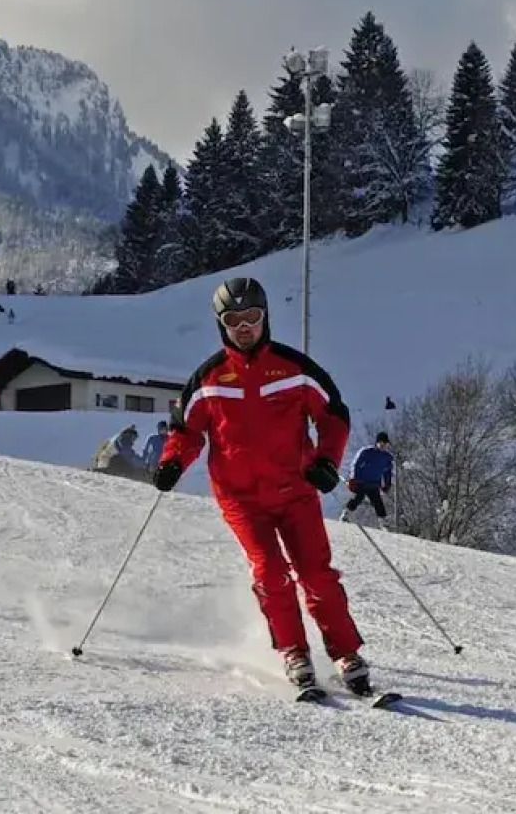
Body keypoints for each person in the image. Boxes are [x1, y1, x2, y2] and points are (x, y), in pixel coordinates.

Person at [154, 275, 374, 696]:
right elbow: (186, 431)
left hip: (295, 491)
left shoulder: (295, 369)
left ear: (265, 317)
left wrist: (327, 461)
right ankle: (294, 651)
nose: (244, 327)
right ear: (221, 323)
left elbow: (333, 417)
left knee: (316, 574)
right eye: (233, 319)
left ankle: (346, 653)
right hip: (242, 498)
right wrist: (172, 463)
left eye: (252, 317)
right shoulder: (209, 378)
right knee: (271, 572)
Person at [341, 432, 395, 522]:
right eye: (381, 443)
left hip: (374, 483)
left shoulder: (387, 457)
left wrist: (387, 484)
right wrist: (353, 478)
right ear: (377, 443)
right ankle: (346, 514)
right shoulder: (367, 452)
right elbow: (356, 464)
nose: (383, 445)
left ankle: (383, 522)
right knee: (358, 498)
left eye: (385, 443)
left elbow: (387, 472)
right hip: (361, 481)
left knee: (378, 502)